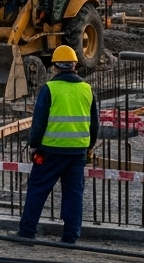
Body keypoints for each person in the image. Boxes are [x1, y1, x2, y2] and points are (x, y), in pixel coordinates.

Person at [17, 45, 99, 245]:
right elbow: (94, 124)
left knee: (37, 189)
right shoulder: (86, 89)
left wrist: (34, 145)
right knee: (73, 194)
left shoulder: (50, 88)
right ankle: (70, 236)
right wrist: (89, 147)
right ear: (75, 66)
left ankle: (27, 232)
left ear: (54, 67)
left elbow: (39, 121)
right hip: (77, 151)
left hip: (51, 150)